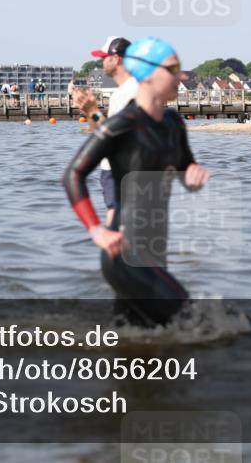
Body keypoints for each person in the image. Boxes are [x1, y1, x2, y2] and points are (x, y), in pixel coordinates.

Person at [63, 37, 209, 326]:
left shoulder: (173, 124)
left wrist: (193, 176)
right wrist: (96, 230)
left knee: (136, 340)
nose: (181, 76)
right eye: (173, 68)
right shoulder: (123, 124)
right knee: (192, 320)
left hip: (156, 249)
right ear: (147, 72)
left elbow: (184, 171)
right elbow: (73, 175)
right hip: (125, 254)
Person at [73, 36, 135, 228]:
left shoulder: (132, 91)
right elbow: (103, 134)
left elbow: (115, 138)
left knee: (116, 230)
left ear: (116, 59)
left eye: (104, 57)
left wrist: (93, 111)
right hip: (114, 170)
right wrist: (89, 112)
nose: (101, 61)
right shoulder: (121, 92)